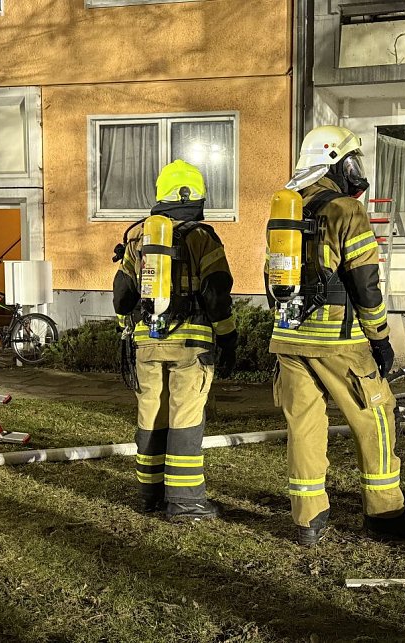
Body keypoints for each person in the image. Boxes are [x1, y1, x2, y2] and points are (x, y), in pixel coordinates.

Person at [267, 125, 405, 545]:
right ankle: (385, 514)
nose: (356, 171)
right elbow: (365, 283)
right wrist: (379, 338)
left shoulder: (287, 207)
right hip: (338, 342)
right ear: (334, 162)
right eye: (351, 160)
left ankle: (308, 519)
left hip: (288, 339)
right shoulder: (346, 211)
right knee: (376, 416)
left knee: (304, 424)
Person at [113, 160, 237, 522]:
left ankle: (148, 494)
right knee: (185, 418)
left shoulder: (138, 238)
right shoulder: (202, 237)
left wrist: (129, 329)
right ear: (196, 196)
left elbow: (122, 296)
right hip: (191, 345)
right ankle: (186, 503)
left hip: (146, 343)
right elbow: (217, 294)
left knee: (151, 414)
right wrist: (228, 338)